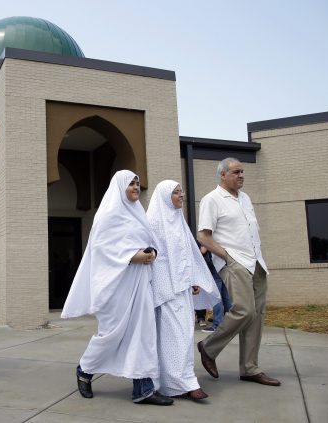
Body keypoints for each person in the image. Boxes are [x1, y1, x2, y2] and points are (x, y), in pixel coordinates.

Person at [61, 170, 173, 406]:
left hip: (139, 283)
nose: (135, 187)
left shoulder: (138, 214)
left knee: (142, 334)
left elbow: (150, 242)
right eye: (130, 183)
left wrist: (151, 252)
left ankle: (143, 389)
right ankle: (85, 370)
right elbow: (101, 249)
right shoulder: (108, 216)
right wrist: (133, 256)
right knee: (111, 334)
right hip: (116, 286)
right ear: (119, 187)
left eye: (137, 183)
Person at [196, 157, 281, 387]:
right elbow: (203, 236)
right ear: (222, 174)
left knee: (257, 316)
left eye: (242, 171)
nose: (241, 175)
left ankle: (250, 368)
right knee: (244, 310)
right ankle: (209, 347)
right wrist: (227, 257)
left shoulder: (245, 199)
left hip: (257, 263)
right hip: (235, 263)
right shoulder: (212, 200)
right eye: (236, 172)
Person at [145, 180, 220, 400]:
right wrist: (167, 285)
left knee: (184, 334)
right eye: (176, 192)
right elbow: (154, 259)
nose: (181, 195)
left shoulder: (179, 221)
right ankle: (184, 382)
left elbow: (189, 253)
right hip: (166, 290)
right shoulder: (152, 222)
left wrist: (193, 279)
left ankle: (176, 382)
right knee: (174, 335)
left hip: (182, 289)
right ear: (165, 196)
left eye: (181, 191)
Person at [199, 243, 232, 333]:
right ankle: (230, 323)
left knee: (216, 297)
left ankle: (217, 324)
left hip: (215, 265)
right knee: (226, 295)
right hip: (225, 264)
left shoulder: (211, 232)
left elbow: (203, 249)